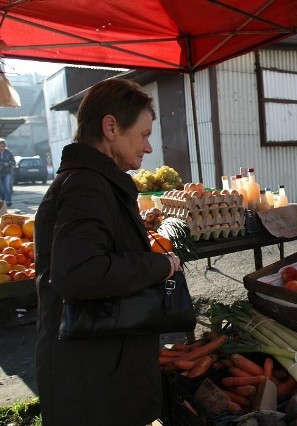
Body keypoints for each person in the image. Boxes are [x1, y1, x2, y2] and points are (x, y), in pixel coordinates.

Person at [34, 78, 183, 425]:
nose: (148, 148)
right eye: (144, 135)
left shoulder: (92, 181)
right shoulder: (87, 185)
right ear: (111, 127)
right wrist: (159, 266)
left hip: (98, 370)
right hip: (94, 383)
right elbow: (79, 274)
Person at [0, 138, 16, 206]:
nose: (2, 147)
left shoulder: (9, 152)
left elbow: (14, 162)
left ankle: (8, 201)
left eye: (3, 146)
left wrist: (8, 164)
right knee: (1, 189)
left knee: (7, 186)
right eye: (0, 146)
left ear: (5, 145)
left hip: (7, 172)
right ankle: (3, 202)